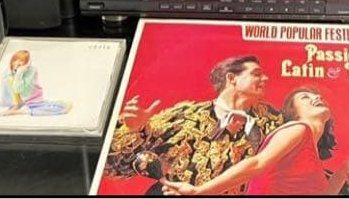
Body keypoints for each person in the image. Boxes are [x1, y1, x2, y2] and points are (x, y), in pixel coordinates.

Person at [106, 56, 283, 194]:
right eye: (256, 73)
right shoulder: (186, 115)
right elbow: (118, 166)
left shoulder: (274, 122)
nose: (266, 78)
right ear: (231, 78)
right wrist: (134, 129)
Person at [161, 88, 349, 196]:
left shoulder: (310, 159)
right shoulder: (297, 129)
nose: (316, 98)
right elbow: (257, 163)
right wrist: (199, 191)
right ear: (294, 112)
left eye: (317, 96)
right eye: (305, 97)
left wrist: (342, 172)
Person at [0, 49, 71, 116]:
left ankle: (19, 112)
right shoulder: (11, 73)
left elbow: (18, 89)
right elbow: (12, 88)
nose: (16, 65)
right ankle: (16, 106)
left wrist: (19, 73)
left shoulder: (31, 70)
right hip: (23, 100)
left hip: (34, 99)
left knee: (53, 108)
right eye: (14, 61)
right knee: (8, 79)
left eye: (20, 64)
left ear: (26, 64)